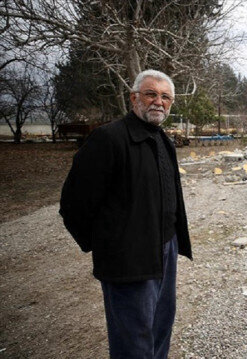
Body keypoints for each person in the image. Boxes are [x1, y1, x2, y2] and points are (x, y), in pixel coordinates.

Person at [60, 69, 192, 359]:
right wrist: (109, 245)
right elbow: (73, 204)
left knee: (160, 326)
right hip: (129, 258)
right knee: (133, 340)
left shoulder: (163, 140)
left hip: (166, 249)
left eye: (165, 97)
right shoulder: (108, 139)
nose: (159, 101)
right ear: (134, 98)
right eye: (151, 94)